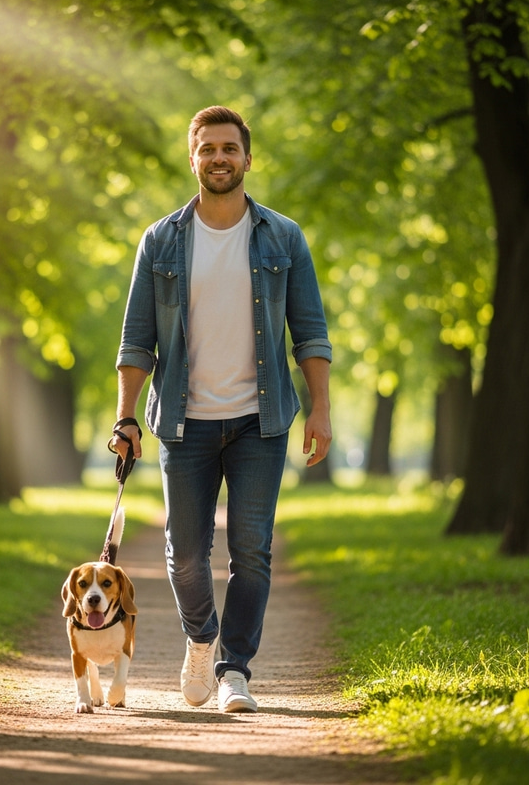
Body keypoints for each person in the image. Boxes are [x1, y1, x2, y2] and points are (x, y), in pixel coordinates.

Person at [110, 105, 332, 713]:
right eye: (207, 149)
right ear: (193, 159)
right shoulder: (160, 240)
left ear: (247, 158)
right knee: (185, 554)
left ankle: (235, 670)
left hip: (262, 421)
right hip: (185, 424)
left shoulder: (283, 237)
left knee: (252, 550)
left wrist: (320, 409)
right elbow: (136, 341)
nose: (218, 158)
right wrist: (125, 417)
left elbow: (310, 332)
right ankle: (201, 639)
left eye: (229, 148)